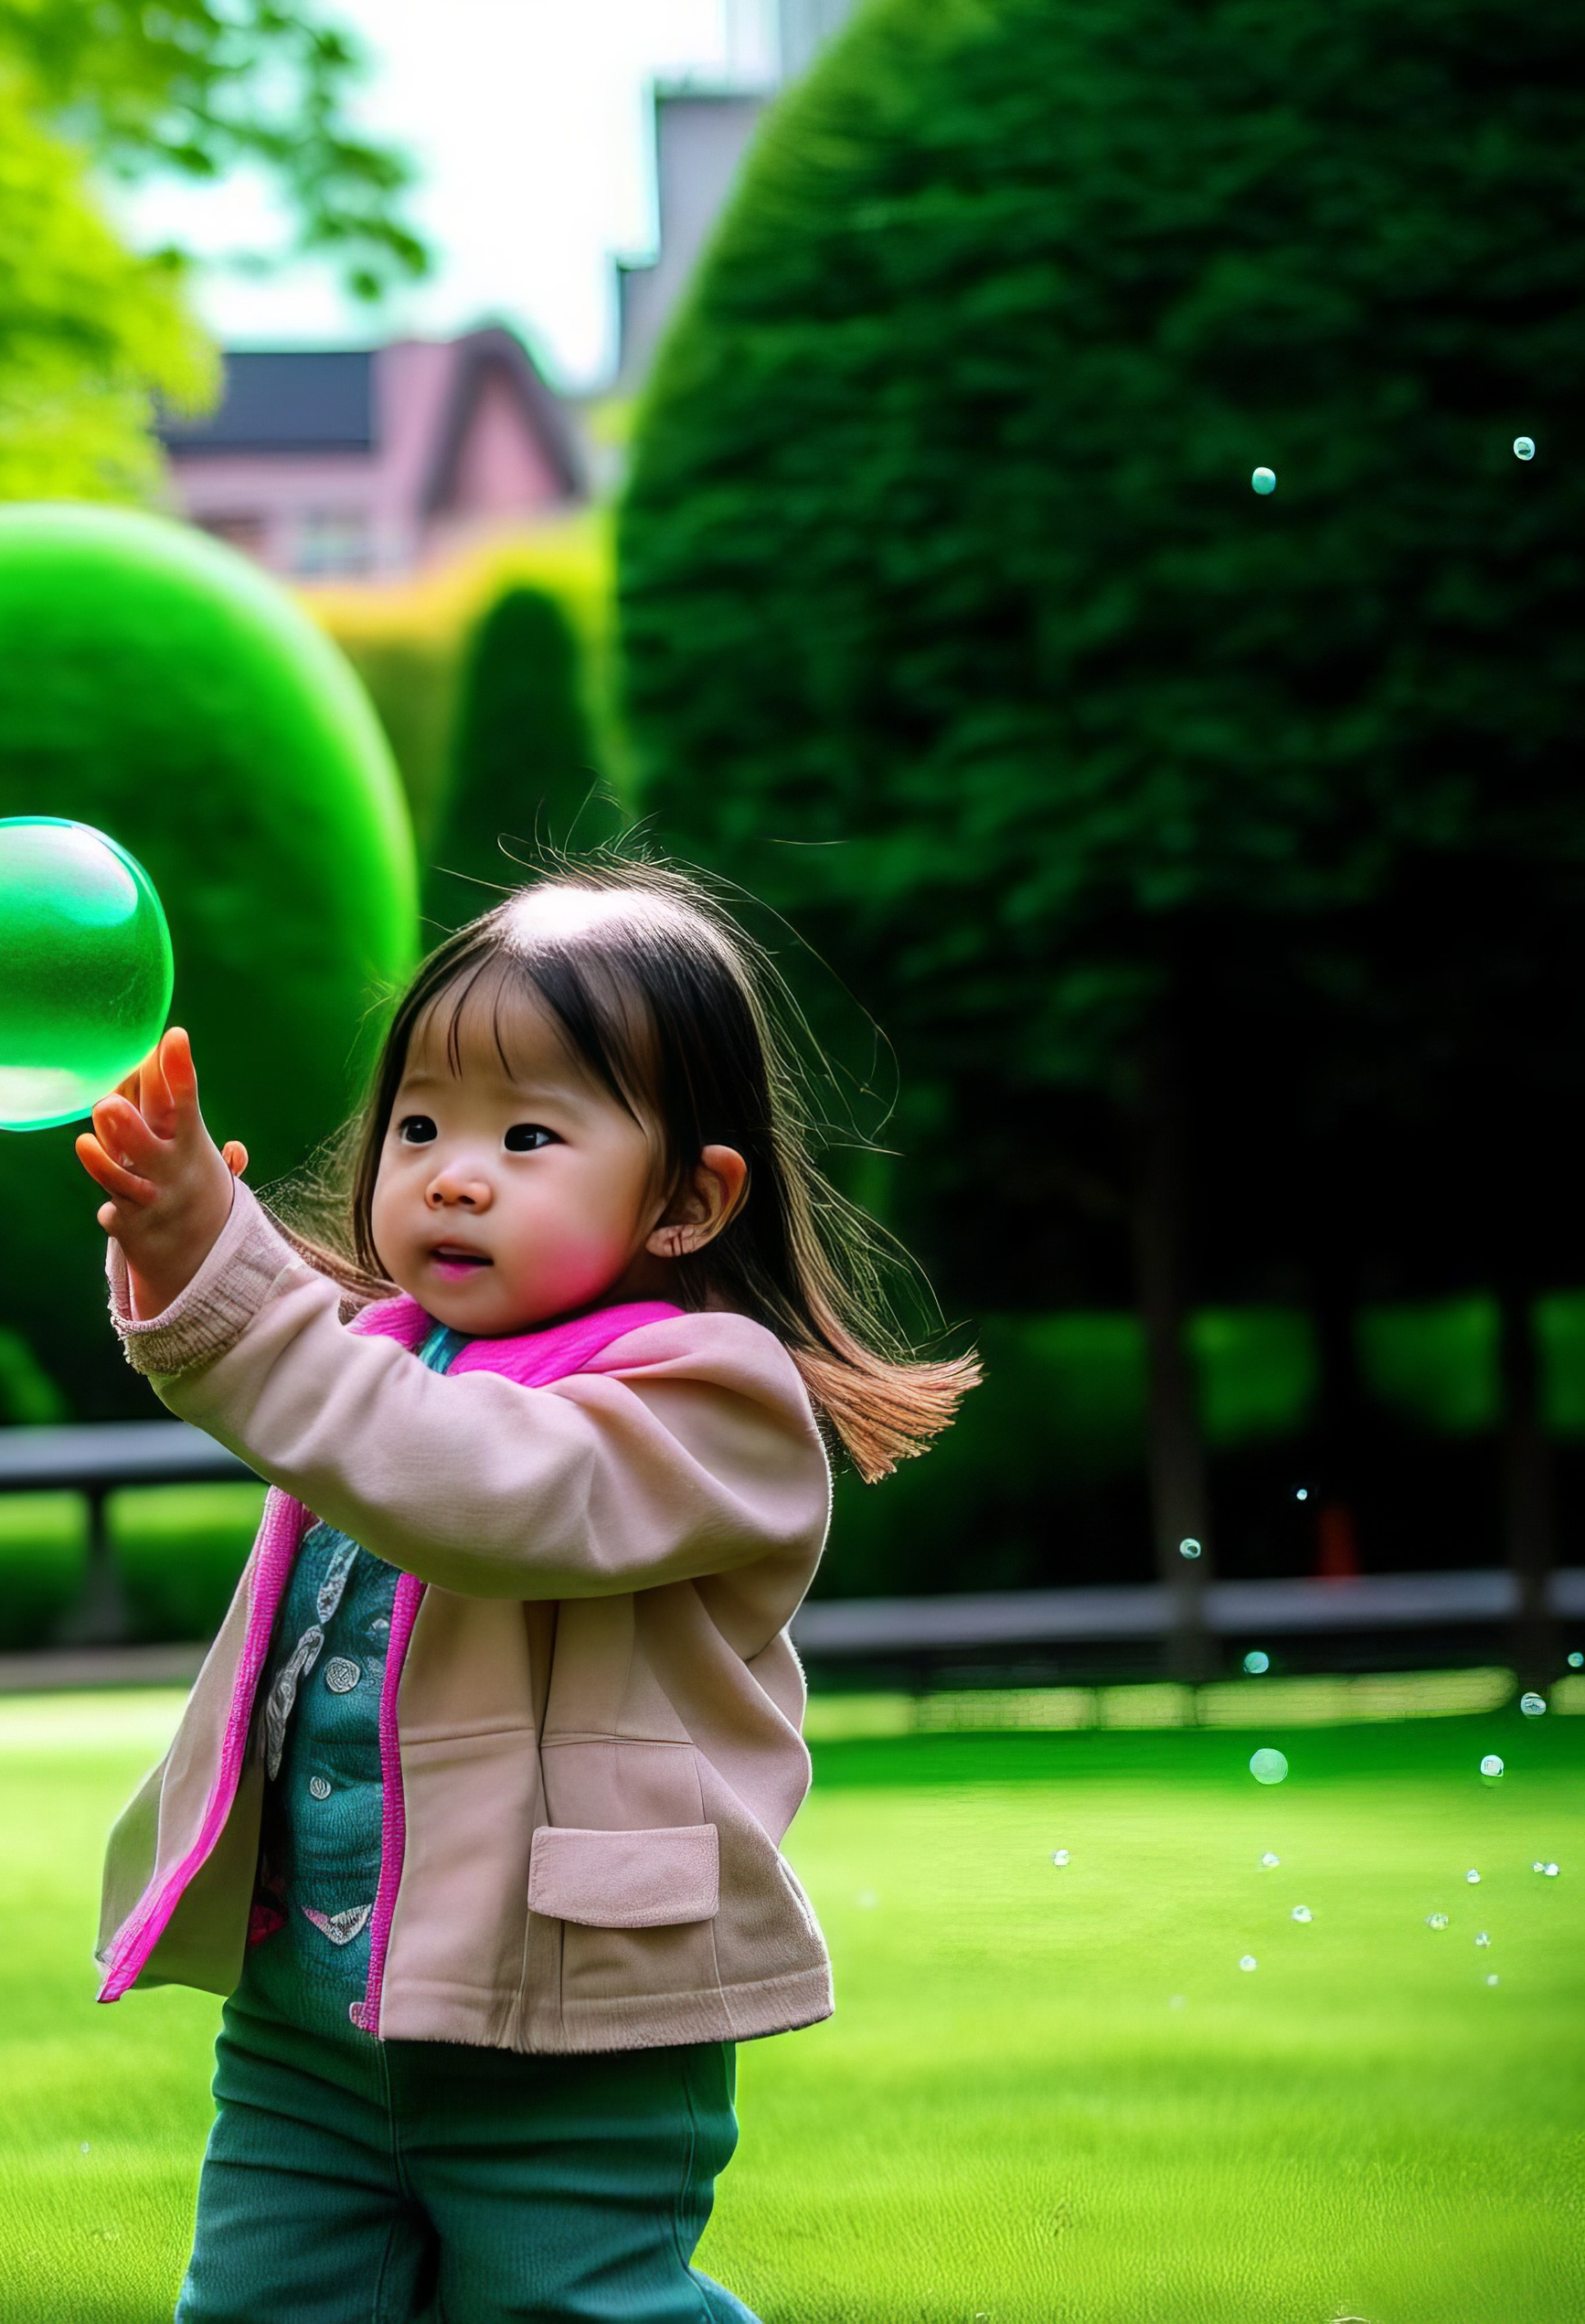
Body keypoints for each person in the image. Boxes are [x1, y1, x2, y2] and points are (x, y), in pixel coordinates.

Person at [77, 858, 975, 2324]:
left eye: (529, 1133)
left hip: (566, 2020)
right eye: (420, 1124)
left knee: (572, 2306)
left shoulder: (716, 1401)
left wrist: (237, 1301)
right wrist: (187, 1263)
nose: (453, 1171)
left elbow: (484, 1489)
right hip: (308, 2014)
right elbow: (356, 1415)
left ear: (687, 1199)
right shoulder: (383, 1360)